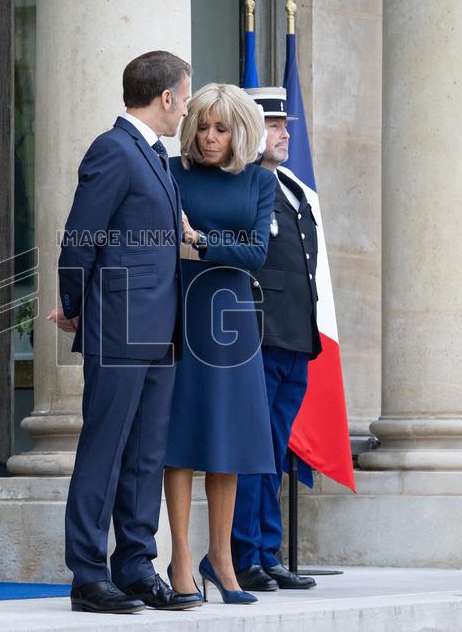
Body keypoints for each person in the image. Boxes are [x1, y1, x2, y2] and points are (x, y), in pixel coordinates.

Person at [47, 50, 199, 614]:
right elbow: (78, 237)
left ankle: (135, 565)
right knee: (105, 449)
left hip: (160, 327)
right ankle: (88, 574)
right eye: (185, 98)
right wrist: (72, 304)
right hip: (119, 324)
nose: (185, 109)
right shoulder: (113, 149)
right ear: (166, 98)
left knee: (145, 454)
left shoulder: (156, 158)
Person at [163, 83, 277, 605]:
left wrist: (201, 239)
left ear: (240, 133)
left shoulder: (258, 180)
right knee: (181, 439)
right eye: (202, 127)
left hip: (232, 318)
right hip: (181, 307)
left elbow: (256, 256)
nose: (209, 138)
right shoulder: (173, 173)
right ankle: (182, 559)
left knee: (227, 440)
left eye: (221, 129)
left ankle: (223, 558)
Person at [230, 86, 319, 592]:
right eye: (274, 124)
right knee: (254, 449)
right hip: (258, 336)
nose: (286, 132)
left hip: (294, 337)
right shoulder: (241, 186)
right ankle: (246, 555)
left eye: (285, 124)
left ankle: (268, 551)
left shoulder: (291, 187)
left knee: (276, 449)